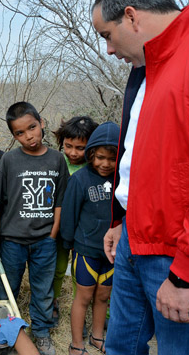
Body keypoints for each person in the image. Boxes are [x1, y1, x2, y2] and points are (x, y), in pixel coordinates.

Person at [92, 0, 189, 353]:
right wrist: (121, 220)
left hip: (177, 251)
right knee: (120, 347)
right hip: (135, 238)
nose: (109, 49)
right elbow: (140, 155)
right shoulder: (146, 66)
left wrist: (186, 273)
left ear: (132, 16)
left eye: (107, 35)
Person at [0, 102, 69, 355]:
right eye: (20, 133)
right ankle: (5, 331)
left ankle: (40, 332)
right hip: (12, 240)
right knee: (7, 287)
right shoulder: (9, 160)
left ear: (41, 123)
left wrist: (53, 234)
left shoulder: (57, 159)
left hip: (44, 240)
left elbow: (60, 201)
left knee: (43, 288)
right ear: (14, 136)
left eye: (32, 127)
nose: (29, 136)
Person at [60, 122, 119, 355]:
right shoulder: (80, 179)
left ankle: (97, 337)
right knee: (83, 297)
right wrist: (68, 242)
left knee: (103, 297)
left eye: (111, 159)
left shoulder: (122, 180)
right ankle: (76, 343)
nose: (105, 164)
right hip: (85, 250)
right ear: (91, 153)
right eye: (100, 157)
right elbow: (69, 214)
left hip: (112, 253)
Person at [52, 116, 98, 326]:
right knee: (59, 268)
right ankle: (52, 302)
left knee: (81, 273)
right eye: (68, 146)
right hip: (61, 229)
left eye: (80, 148)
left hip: (86, 233)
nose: (72, 152)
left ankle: (84, 308)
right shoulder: (58, 164)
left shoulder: (97, 170)